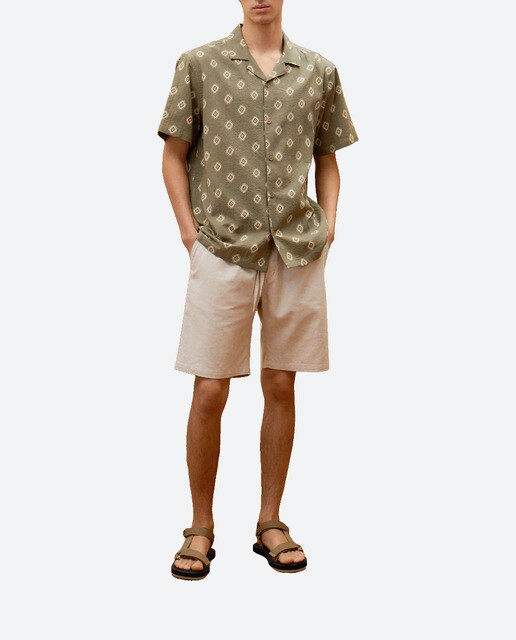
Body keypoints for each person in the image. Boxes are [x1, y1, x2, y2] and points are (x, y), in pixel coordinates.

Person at [157, 0, 358, 580]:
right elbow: (173, 155)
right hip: (221, 245)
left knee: (281, 383)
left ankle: (271, 520)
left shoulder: (318, 70)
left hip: (296, 248)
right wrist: (190, 234)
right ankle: (199, 527)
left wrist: (329, 225)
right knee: (209, 389)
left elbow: (327, 157)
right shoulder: (198, 64)